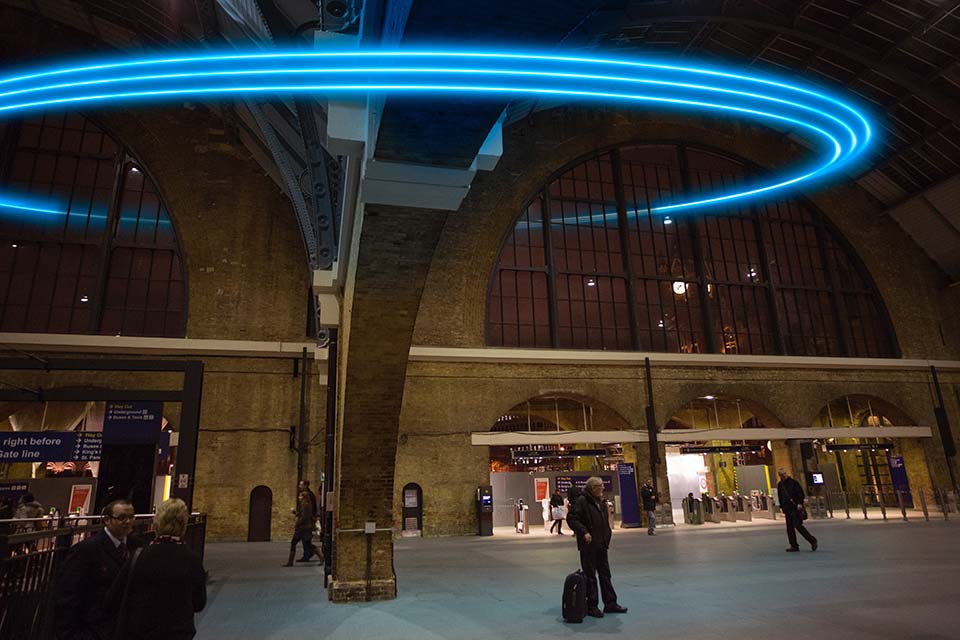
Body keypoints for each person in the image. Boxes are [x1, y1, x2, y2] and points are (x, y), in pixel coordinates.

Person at [107, 498, 206, 640]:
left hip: (142, 632)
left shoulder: (139, 556)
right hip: (178, 633)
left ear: (157, 523)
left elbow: (115, 596)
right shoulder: (192, 559)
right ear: (184, 525)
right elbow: (199, 603)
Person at [55, 499, 138, 640]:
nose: (128, 522)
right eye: (122, 518)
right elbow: (68, 594)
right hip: (92, 629)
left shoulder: (135, 547)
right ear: (107, 520)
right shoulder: (86, 550)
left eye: (131, 517)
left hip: (122, 628)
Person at [566, 477, 628, 618]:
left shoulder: (600, 501)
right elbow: (572, 518)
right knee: (590, 576)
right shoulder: (581, 501)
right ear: (593, 488)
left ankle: (610, 603)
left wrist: (607, 535)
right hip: (588, 546)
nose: (603, 489)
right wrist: (584, 532)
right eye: (600, 486)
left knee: (605, 575)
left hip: (601, 544)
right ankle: (592, 606)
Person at [776, 469, 818, 552]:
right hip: (787, 508)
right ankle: (794, 545)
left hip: (795, 508)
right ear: (779, 475)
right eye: (782, 474)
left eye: (784, 473)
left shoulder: (793, 483)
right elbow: (780, 496)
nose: (784, 475)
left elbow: (800, 493)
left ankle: (812, 540)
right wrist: (782, 506)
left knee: (798, 525)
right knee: (789, 528)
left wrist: (799, 503)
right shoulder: (780, 485)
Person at [284, 490, 317, 566]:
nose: (299, 497)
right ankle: (320, 556)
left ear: (304, 497)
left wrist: (297, 523)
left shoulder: (305, 505)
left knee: (295, 543)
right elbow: (302, 515)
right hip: (305, 527)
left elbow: (304, 517)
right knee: (307, 543)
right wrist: (295, 513)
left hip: (302, 528)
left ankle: (290, 562)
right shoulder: (305, 505)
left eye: (300, 496)